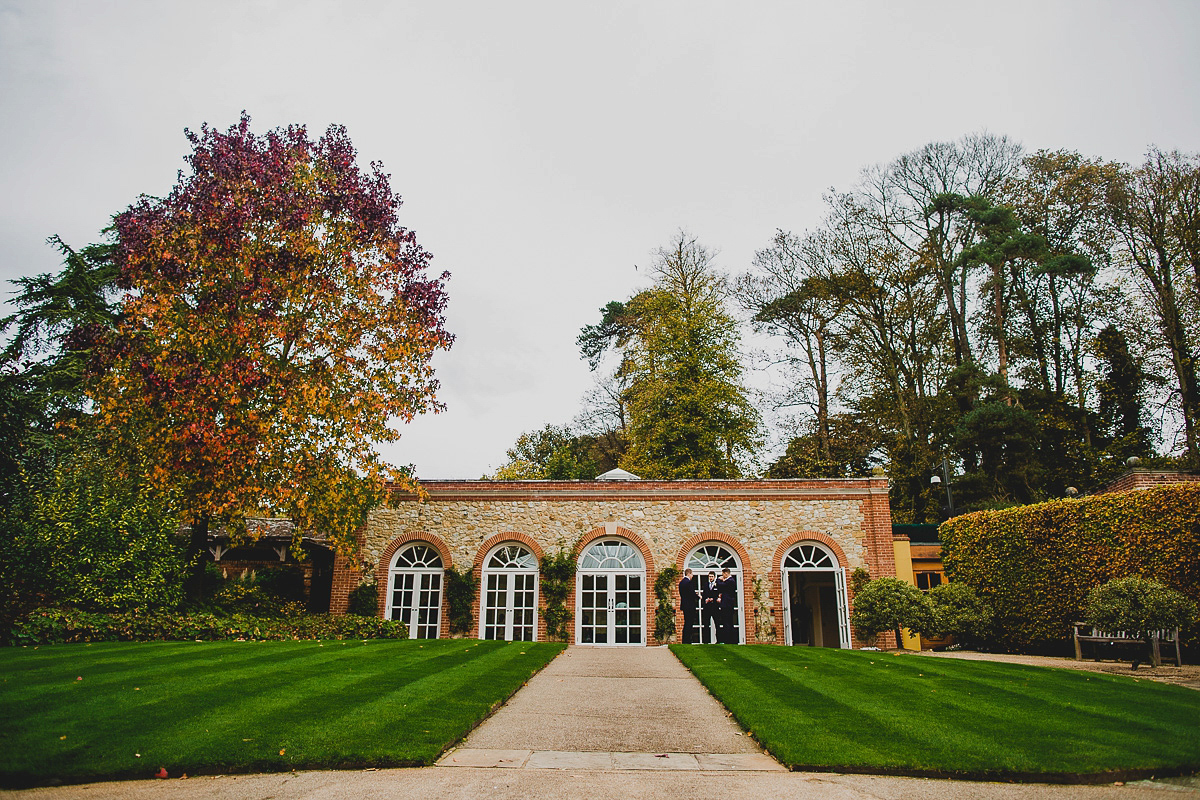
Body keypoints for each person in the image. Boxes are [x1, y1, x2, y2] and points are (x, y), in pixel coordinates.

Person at [716, 567, 739, 643]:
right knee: (727, 622)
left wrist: (718, 579)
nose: (722, 576)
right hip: (727, 604)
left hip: (727, 605)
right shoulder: (729, 581)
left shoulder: (730, 581)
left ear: (726, 573)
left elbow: (720, 586)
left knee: (727, 622)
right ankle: (730, 639)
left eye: (723, 574)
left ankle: (729, 640)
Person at [678, 568, 699, 644]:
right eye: (692, 574)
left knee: (686, 622)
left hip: (684, 605)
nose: (692, 576)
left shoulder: (681, 583)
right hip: (690, 606)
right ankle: (688, 640)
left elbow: (684, 594)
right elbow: (692, 594)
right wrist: (698, 597)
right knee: (689, 623)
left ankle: (685, 640)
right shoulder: (689, 583)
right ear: (689, 574)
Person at [701, 571, 720, 643]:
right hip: (707, 607)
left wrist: (713, 599)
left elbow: (719, 595)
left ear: (714, 577)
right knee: (706, 624)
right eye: (709, 576)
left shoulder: (717, 585)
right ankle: (706, 640)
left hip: (715, 607)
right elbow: (704, 594)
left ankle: (719, 640)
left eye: (712, 576)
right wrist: (706, 599)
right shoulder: (706, 585)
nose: (710, 578)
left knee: (717, 624)